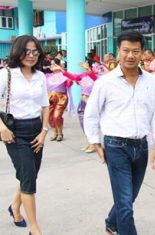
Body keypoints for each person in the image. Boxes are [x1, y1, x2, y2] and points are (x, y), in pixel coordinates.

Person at [84, 31, 155, 235]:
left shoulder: (151, 81)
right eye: (126, 50)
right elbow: (91, 114)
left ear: (142, 54)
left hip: (141, 146)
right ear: (118, 52)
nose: (130, 55)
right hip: (115, 146)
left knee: (128, 198)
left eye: (135, 51)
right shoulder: (105, 82)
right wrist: (95, 143)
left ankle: (111, 223)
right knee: (125, 204)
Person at [0, 35, 49, 235]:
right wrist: (2, 127)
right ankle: (35, 229)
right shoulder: (6, 74)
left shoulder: (40, 76)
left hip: (36, 130)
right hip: (14, 132)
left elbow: (45, 105)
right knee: (28, 178)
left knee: (30, 175)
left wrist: (44, 131)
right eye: (27, 51)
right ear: (17, 51)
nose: (31, 56)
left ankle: (14, 206)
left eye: (35, 51)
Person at [46, 59, 73, 141]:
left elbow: (69, 83)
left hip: (61, 97)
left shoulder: (64, 76)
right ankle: (55, 133)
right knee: (50, 117)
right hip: (50, 97)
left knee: (57, 115)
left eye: (54, 64)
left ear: (59, 66)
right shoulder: (47, 76)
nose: (53, 66)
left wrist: (68, 78)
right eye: (51, 65)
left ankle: (60, 133)